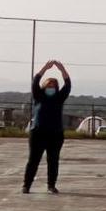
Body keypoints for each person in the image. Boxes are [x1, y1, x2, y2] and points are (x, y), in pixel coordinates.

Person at [23, 60, 71, 194]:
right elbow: (35, 81)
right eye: (49, 85)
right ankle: (26, 185)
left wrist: (62, 69)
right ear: (44, 86)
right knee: (33, 160)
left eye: (54, 85)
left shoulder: (59, 98)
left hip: (55, 134)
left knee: (53, 161)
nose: (51, 87)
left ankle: (51, 185)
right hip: (38, 133)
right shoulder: (39, 96)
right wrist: (45, 68)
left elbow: (67, 85)